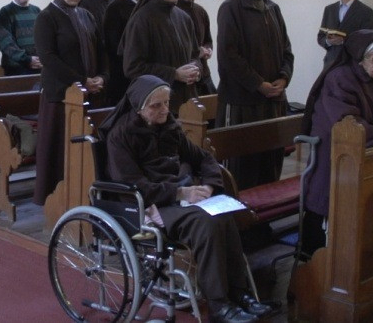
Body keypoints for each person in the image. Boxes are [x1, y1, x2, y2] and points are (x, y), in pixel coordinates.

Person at [102, 75, 271, 323]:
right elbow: (134, 185)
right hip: (149, 205)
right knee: (206, 222)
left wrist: (209, 186)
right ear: (139, 107)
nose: (164, 110)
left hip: (180, 198)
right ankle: (218, 304)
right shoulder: (121, 136)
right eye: (156, 105)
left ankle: (239, 292)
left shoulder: (169, 126)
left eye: (166, 103)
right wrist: (180, 192)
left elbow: (204, 158)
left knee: (224, 214)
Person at [301, 30, 373, 255]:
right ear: (359, 59)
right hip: (334, 151)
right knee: (327, 201)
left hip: (364, 146)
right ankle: (315, 258)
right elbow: (348, 123)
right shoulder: (339, 78)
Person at [216, 0, 294, 190]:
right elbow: (229, 56)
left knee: (269, 163)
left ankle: (265, 210)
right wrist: (258, 84)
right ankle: (237, 211)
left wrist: (283, 77)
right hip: (242, 101)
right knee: (241, 167)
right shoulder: (231, 8)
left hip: (272, 102)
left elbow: (286, 50)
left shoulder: (273, 8)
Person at [33, 0, 108, 205]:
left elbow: (100, 49)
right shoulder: (47, 17)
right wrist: (81, 80)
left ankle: (85, 191)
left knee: (86, 147)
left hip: (89, 93)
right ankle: (55, 197)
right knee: (58, 149)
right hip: (60, 94)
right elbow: (48, 58)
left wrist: (102, 76)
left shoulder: (86, 15)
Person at [119, 0, 201, 113]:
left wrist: (195, 69)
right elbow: (132, 67)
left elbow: (195, 55)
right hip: (155, 105)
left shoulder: (184, 17)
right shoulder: (142, 19)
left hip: (187, 100)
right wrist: (174, 74)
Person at [102, 0, 150, 105]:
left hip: (145, 75)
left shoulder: (148, 6)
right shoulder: (115, 8)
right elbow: (114, 47)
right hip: (123, 77)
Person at [317, 0, 373, 69]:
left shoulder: (366, 12)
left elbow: (367, 41)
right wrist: (328, 41)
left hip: (353, 65)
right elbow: (320, 37)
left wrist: (343, 41)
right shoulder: (329, 9)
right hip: (330, 64)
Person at [176, 0, 216, 95]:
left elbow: (208, 39)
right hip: (184, 75)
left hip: (203, 73)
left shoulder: (201, 11)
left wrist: (208, 49)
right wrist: (197, 52)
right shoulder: (173, 11)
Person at [0, 0, 42, 76]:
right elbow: (6, 43)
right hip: (16, 69)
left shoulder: (37, 11)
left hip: (38, 66)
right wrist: (27, 59)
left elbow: (44, 38)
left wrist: (41, 58)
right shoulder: (5, 12)